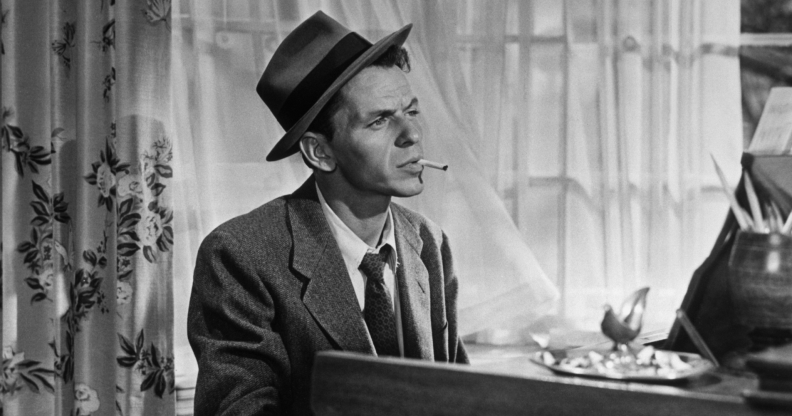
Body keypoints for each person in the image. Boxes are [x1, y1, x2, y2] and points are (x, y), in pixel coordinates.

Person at [187, 11, 468, 416]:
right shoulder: (240, 255)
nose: (412, 135)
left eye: (411, 111)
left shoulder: (430, 243)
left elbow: (459, 396)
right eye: (380, 120)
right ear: (320, 152)